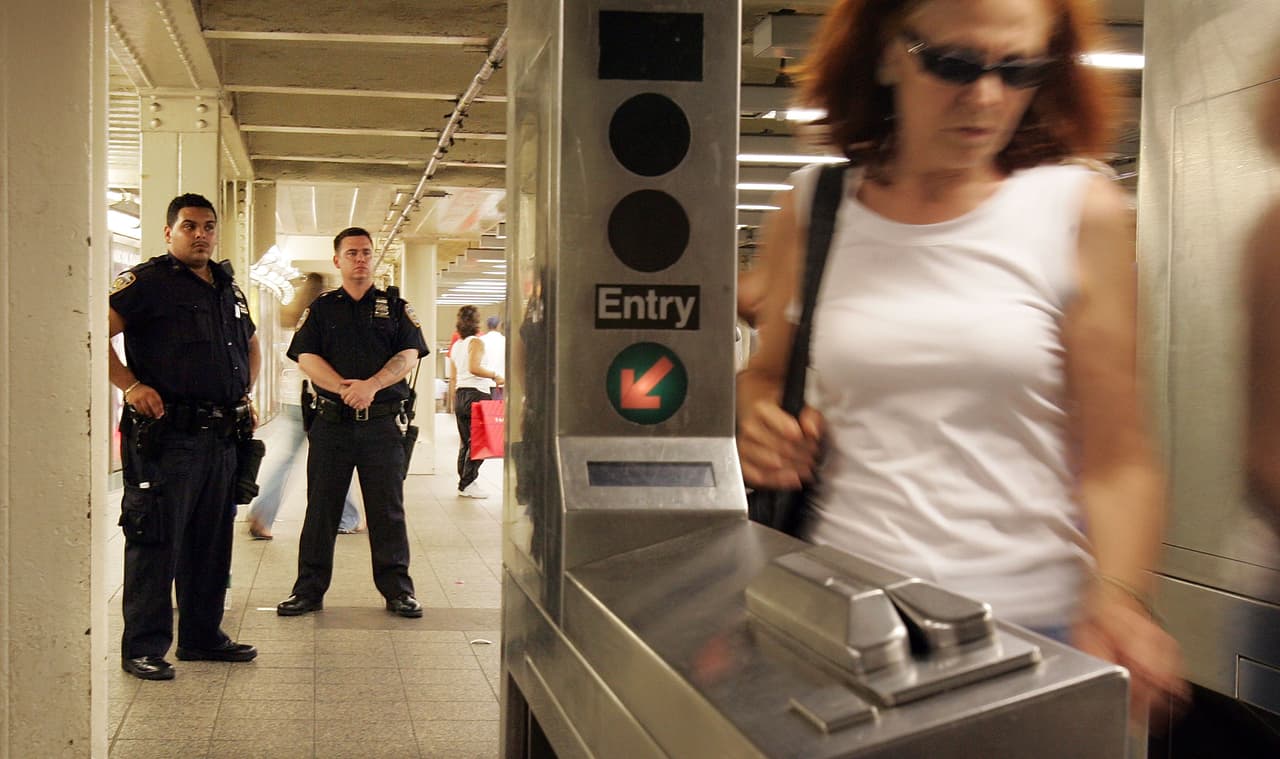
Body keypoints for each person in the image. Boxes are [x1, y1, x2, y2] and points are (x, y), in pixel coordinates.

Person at [735, 0, 1186, 724]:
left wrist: (1122, 594)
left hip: (1027, 630)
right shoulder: (814, 209)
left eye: (1019, 70)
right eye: (953, 63)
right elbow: (766, 374)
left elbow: (1118, 452)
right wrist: (756, 417)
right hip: (843, 624)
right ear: (886, 53)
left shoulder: (1078, 210)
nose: (985, 97)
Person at [108, 193, 259, 680]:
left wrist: (244, 389)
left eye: (209, 227)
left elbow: (250, 342)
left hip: (221, 436)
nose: (201, 235)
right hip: (168, 437)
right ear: (168, 232)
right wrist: (130, 385)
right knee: (156, 539)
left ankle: (202, 636)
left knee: (211, 542)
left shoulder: (227, 287)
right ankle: (144, 646)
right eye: (190, 226)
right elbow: (92, 329)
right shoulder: (148, 283)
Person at [276, 227, 428, 618]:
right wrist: (346, 389)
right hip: (332, 423)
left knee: (387, 511)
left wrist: (372, 386)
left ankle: (398, 591)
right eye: (352, 253)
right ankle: (308, 591)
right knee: (321, 509)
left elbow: (410, 354)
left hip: (381, 425)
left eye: (366, 252)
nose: (360, 259)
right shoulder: (323, 308)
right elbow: (305, 357)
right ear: (337, 260)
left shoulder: (395, 307)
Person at [450, 305, 503, 498]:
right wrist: (495, 375)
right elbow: (474, 368)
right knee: (480, 441)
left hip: (461, 394)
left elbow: (455, 375)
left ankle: (465, 482)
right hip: (477, 394)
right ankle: (468, 483)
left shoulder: (457, 345)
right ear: (476, 321)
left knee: (466, 442)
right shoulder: (476, 342)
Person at [480, 315, 506, 400]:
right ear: (499, 325)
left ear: (487, 326)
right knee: (498, 411)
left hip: (484, 385)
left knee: (485, 411)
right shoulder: (505, 340)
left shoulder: (481, 340)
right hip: (501, 383)